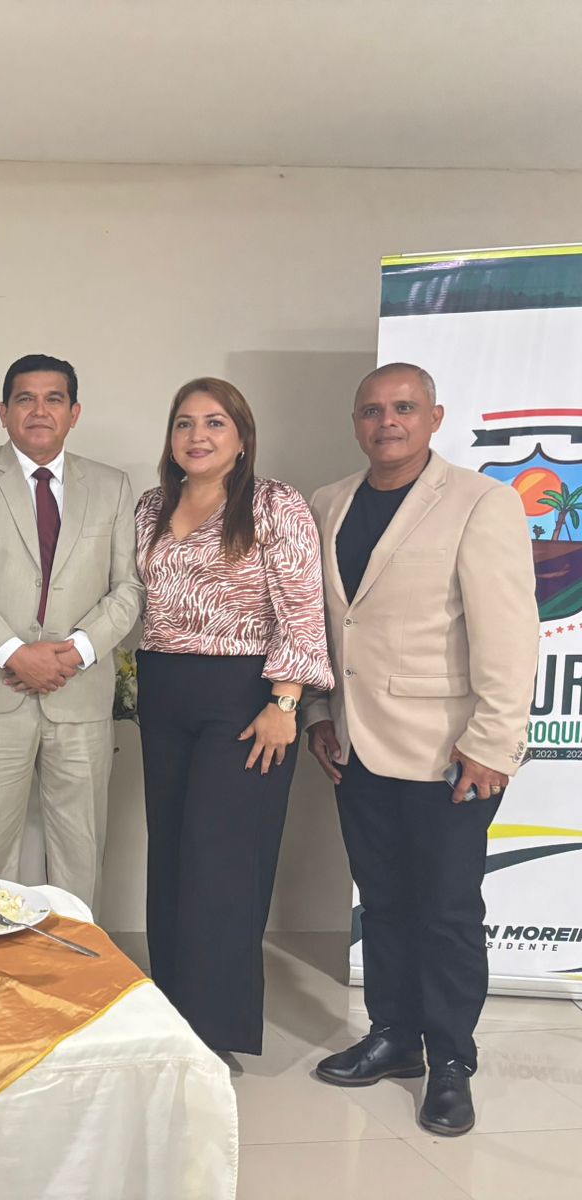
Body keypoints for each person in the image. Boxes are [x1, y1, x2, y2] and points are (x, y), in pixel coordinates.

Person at [305, 363, 537, 1136]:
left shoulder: (481, 502)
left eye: (403, 408)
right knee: (384, 901)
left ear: (434, 417)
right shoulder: (328, 503)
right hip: (356, 745)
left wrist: (493, 742)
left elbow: (509, 634)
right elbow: (322, 626)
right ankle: (395, 1037)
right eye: (372, 410)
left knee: (445, 911)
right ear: (356, 422)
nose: (387, 422)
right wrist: (319, 713)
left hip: (450, 752)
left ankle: (452, 1063)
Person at [134, 377, 333, 1057]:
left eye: (215, 422)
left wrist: (285, 701)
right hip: (164, 690)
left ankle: (215, 1030)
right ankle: (172, 1012)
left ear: (242, 436)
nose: (198, 436)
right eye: (184, 422)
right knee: (171, 853)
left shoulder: (275, 503)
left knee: (221, 860)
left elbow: (303, 608)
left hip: (245, 696)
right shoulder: (152, 506)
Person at [0, 354, 141, 909]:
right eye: (25, 399)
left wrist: (76, 652)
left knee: (80, 851)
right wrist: (14, 654)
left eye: (54, 399)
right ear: (3, 412)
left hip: (79, 694)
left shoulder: (112, 486)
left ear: (74, 413)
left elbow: (129, 588)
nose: (39, 411)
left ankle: (75, 961)